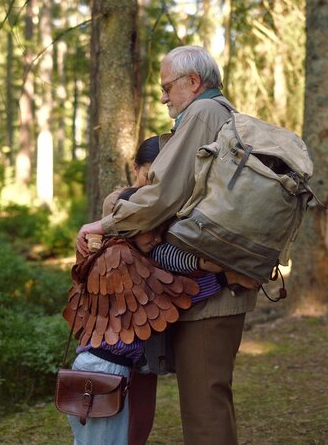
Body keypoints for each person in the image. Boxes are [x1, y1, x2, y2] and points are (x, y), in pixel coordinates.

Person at [76, 45, 256, 445]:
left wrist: (105, 223)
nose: (163, 97)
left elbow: (163, 193)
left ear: (193, 82)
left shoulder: (203, 113)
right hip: (213, 288)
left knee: (205, 408)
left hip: (215, 296)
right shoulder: (220, 115)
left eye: (167, 86)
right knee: (207, 400)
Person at [67, 186, 226, 445]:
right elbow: (166, 297)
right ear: (131, 224)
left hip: (108, 367)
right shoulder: (117, 256)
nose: (157, 238)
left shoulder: (120, 252)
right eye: (152, 229)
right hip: (103, 368)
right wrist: (221, 278)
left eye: (161, 231)